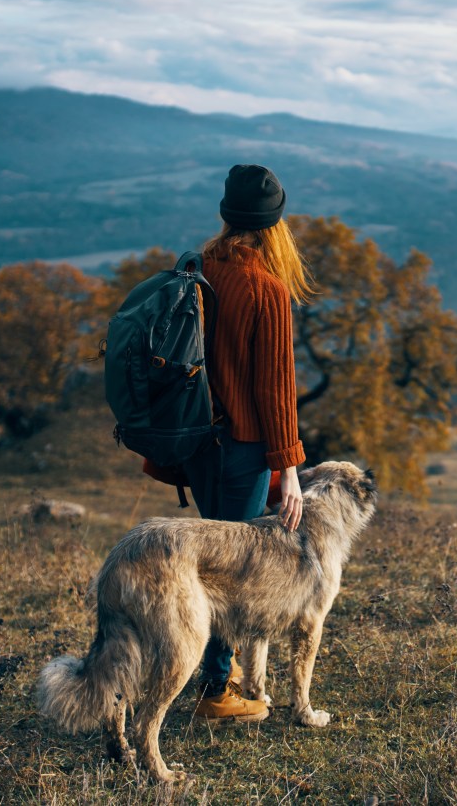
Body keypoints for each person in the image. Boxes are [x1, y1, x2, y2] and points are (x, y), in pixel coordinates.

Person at [182, 163, 314, 721]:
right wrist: (289, 471)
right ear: (273, 225)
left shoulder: (197, 267)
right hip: (241, 447)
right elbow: (276, 391)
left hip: (194, 440)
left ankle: (206, 665)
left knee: (203, 563)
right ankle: (216, 691)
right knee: (232, 572)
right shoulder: (266, 287)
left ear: (226, 214)